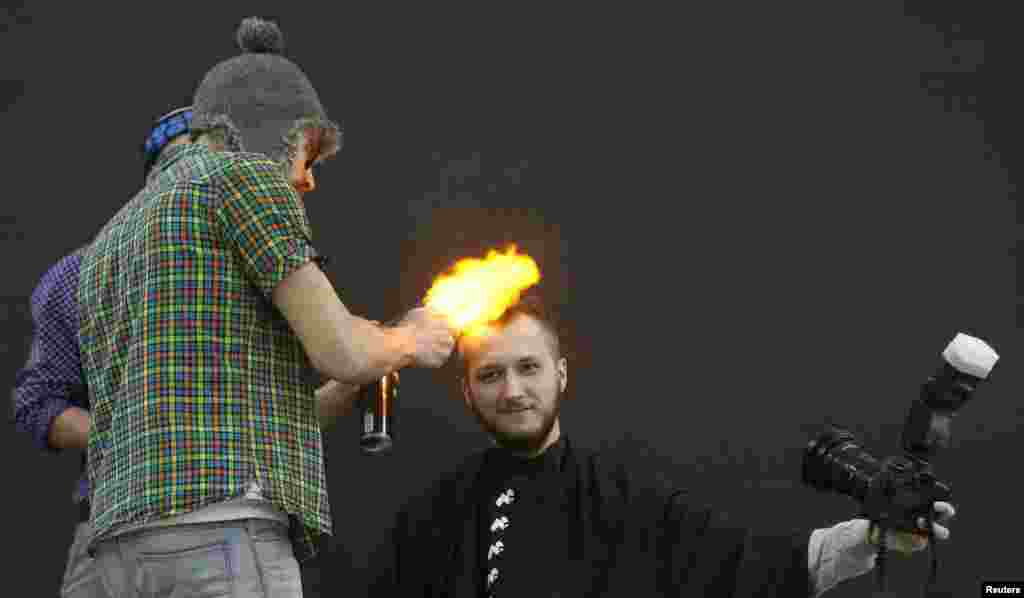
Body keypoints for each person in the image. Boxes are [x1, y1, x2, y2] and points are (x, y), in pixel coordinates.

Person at [76, 16, 455, 598]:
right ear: (278, 131)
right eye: (307, 155)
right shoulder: (246, 179)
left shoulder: (111, 238)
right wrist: (411, 340)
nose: (307, 181)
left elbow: (251, 412)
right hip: (222, 539)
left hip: (119, 554)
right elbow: (343, 351)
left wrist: (360, 377)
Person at [368, 290, 957, 597]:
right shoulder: (431, 519)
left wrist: (871, 538)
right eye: (490, 375)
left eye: (528, 368)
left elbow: (753, 568)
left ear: (562, 375)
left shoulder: (629, 502)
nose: (513, 390)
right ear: (468, 393)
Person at [12, 105, 194, 597]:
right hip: (112, 524)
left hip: (216, 519)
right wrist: (127, 432)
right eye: (178, 168)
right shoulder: (79, 275)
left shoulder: (257, 269)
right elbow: (37, 405)